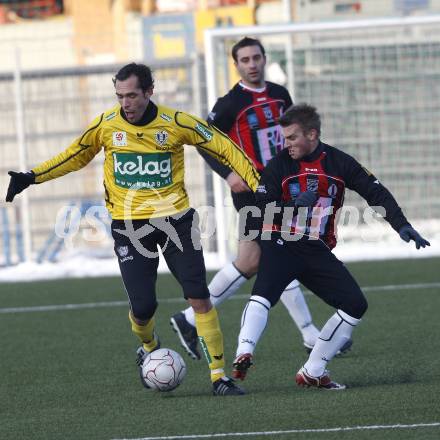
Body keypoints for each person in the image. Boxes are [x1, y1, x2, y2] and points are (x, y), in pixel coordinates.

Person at [5, 62, 261, 396]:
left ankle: (218, 376)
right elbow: (74, 155)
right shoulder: (107, 125)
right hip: (130, 228)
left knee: (199, 295)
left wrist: (257, 183)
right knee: (142, 308)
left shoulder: (176, 122)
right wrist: (31, 176)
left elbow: (222, 145)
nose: (126, 103)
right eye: (120, 96)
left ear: (149, 92)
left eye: (132, 95)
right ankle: (149, 344)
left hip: (177, 223)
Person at [231, 103, 430, 389]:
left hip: (315, 248)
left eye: (292, 137)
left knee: (355, 304)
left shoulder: (339, 162)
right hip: (280, 240)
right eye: (284, 138)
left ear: (312, 134)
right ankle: (244, 351)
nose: (286, 144)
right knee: (264, 292)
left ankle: (313, 369)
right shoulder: (279, 164)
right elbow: (260, 208)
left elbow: (375, 191)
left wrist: (401, 225)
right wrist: (291, 205)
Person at [170, 37, 332, 361]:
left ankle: (188, 320)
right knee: (278, 253)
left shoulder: (279, 94)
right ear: (237, 65)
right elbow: (205, 142)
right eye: (244, 60)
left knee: (254, 261)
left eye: (256, 57)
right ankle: (310, 333)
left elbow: (292, 135)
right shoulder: (229, 103)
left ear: (264, 58)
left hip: (280, 187)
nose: (252, 64)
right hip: (252, 190)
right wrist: (228, 174)